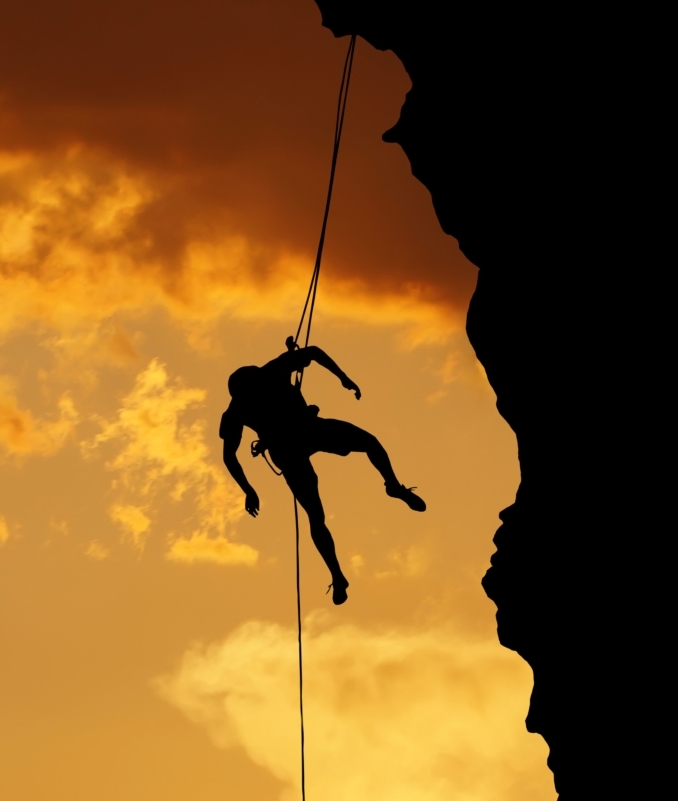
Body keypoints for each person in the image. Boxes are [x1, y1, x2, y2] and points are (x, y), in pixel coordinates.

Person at [220, 342, 426, 605]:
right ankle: (391, 489)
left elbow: (229, 456)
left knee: (318, 516)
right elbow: (314, 352)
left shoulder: (239, 405)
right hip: (303, 435)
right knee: (366, 448)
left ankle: (340, 573)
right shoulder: (265, 379)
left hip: (295, 443)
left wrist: (248, 490)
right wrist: (343, 378)